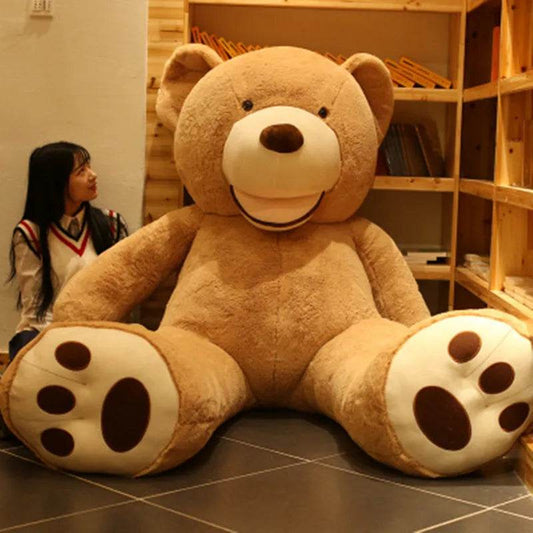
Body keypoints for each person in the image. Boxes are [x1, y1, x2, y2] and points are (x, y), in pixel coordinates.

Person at [7, 141, 129, 362]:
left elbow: (122, 293)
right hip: (45, 334)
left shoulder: (112, 224)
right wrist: (68, 342)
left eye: (89, 166)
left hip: (99, 332)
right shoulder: (30, 233)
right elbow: (35, 310)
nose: (93, 175)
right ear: (57, 183)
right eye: (81, 171)